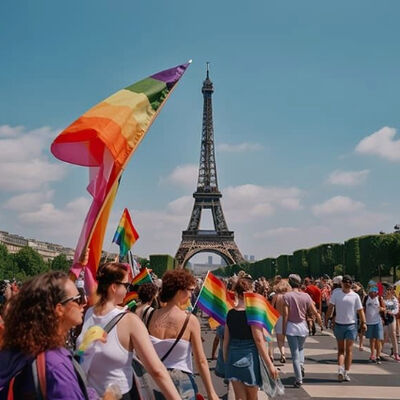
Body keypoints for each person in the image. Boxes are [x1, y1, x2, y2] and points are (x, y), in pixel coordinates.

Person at [77, 262, 181, 400]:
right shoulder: (130, 321)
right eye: (126, 285)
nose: (128, 289)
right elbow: (157, 370)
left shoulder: (89, 313)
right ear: (114, 287)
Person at [0, 271, 103, 399]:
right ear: (59, 309)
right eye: (78, 299)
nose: (84, 303)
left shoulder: (21, 347)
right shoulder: (55, 363)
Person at [146, 269, 219, 400]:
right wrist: (211, 392)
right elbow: (201, 360)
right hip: (181, 381)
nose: (192, 295)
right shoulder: (189, 320)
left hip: (154, 380)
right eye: (190, 290)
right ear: (180, 291)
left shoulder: (150, 315)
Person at [223, 277, 278, 400]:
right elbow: (258, 340)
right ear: (250, 293)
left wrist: (227, 360)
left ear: (236, 293)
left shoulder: (230, 313)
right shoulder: (252, 314)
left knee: (239, 397)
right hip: (249, 357)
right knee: (252, 397)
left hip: (233, 356)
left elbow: (226, 340)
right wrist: (270, 364)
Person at [282, 274, 322, 388]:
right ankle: (301, 364)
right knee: (301, 348)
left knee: (294, 354)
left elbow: (285, 315)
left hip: (291, 327)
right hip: (303, 326)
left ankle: (299, 378)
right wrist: (319, 320)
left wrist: (284, 329)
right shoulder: (306, 296)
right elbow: (314, 311)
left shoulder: (287, 296)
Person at [325, 274, 367, 382]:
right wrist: (363, 322)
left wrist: (327, 319)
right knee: (348, 350)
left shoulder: (339, 294)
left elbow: (330, 308)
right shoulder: (353, 296)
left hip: (343, 325)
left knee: (342, 350)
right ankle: (345, 372)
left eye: (348, 283)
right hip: (349, 325)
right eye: (346, 283)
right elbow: (360, 311)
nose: (347, 284)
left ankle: (341, 370)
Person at [271, 279, 292, 363]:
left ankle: (282, 354)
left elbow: (272, 308)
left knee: (280, 340)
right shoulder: (289, 296)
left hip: (279, 318)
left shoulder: (276, 296)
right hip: (289, 318)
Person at [363, 285, 385, 363]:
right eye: (371, 291)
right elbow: (363, 309)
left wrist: (381, 309)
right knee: (371, 340)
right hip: (369, 321)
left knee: (378, 340)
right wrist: (363, 321)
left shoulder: (379, 298)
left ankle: (378, 356)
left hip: (377, 321)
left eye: (374, 291)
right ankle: (372, 355)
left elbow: (384, 308)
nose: (373, 293)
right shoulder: (366, 298)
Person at [382, 284, 400, 361]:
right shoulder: (381, 299)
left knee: (393, 334)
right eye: (385, 290)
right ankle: (378, 352)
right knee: (383, 335)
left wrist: (391, 312)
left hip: (391, 318)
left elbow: (396, 309)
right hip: (383, 318)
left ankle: (396, 353)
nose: (386, 292)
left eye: (388, 290)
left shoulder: (394, 299)